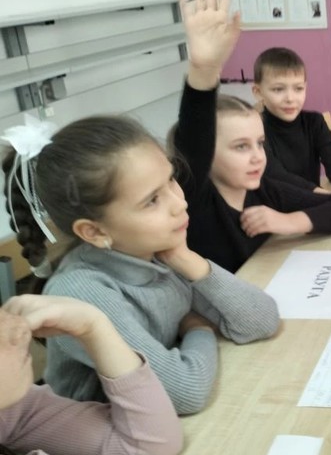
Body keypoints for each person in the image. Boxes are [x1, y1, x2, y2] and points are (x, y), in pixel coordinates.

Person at [1, 108, 280, 416]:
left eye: (171, 180)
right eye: (152, 200)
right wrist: (199, 329)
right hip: (111, 439)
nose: (180, 203)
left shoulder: (155, 250)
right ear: (94, 232)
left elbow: (261, 322)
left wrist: (189, 261)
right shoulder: (85, 291)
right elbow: (186, 392)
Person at [172, 0, 331, 274]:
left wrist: (288, 221)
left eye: (260, 144)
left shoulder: (264, 190)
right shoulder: (197, 199)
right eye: (241, 147)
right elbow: (193, 138)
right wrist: (205, 69)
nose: (258, 156)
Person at [0, 294, 182, 455]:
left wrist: (94, 326)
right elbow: (186, 390)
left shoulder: (10, 409)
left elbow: (150, 444)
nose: (21, 332)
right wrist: (200, 328)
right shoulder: (80, 285)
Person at [251, 46, 331, 201]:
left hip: (313, 201)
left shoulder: (314, 122)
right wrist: (325, 194)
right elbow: (275, 175)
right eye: (278, 89)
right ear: (258, 92)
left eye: (298, 89)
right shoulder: (254, 130)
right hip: (274, 207)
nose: (290, 98)